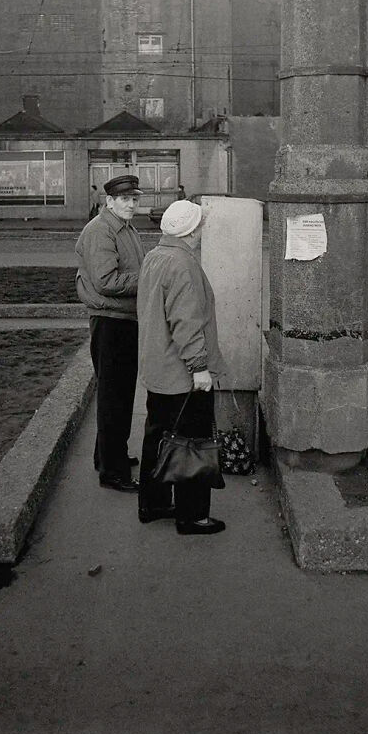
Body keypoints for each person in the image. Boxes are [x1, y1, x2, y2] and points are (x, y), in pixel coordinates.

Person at [136, 199, 227, 534]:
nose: (202, 231)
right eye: (200, 226)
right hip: (183, 374)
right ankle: (192, 515)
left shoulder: (155, 256)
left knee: (157, 436)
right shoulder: (183, 264)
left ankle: (154, 503)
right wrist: (200, 367)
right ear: (191, 232)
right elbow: (186, 324)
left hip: (158, 368)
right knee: (193, 441)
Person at [75, 174, 145, 492]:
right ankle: (113, 472)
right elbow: (107, 281)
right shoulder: (101, 230)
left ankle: (108, 455)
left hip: (122, 320)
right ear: (110, 201)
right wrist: (149, 278)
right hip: (110, 322)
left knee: (117, 394)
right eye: (125, 199)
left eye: (134, 198)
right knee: (114, 397)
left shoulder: (124, 227)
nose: (131, 204)